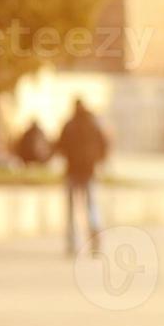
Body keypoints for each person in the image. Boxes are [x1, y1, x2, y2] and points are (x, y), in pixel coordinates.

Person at [54, 99, 110, 255]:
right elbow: (105, 144)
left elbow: (60, 145)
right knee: (91, 206)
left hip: (73, 171)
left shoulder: (70, 124)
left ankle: (73, 243)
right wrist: (99, 160)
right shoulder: (94, 124)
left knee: (72, 210)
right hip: (88, 170)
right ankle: (95, 239)